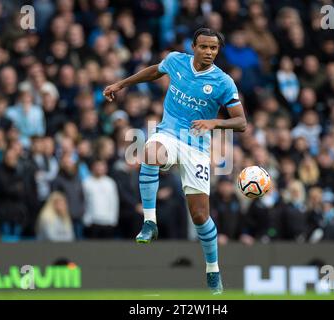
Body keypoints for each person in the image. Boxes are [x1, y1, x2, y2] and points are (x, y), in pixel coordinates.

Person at [103, 28, 247, 294]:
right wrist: (121, 84)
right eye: (204, 47)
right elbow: (153, 71)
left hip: (197, 148)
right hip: (169, 133)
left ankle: (213, 270)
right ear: (193, 47)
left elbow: (241, 122)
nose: (208, 52)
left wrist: (214, 121)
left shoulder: (223, 81)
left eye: (213, 49)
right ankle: (149, 222)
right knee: (149, 152)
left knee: (200, 215)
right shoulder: (175, 61)